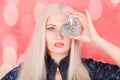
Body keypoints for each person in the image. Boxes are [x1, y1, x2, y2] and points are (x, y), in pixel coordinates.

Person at [1, 3, 120, 80]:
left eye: (66, 28)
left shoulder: (92, 70)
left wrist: (96, 40)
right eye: (51, 28)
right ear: (42, 34)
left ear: (74, 32)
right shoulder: (22, 74)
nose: (59, 36)